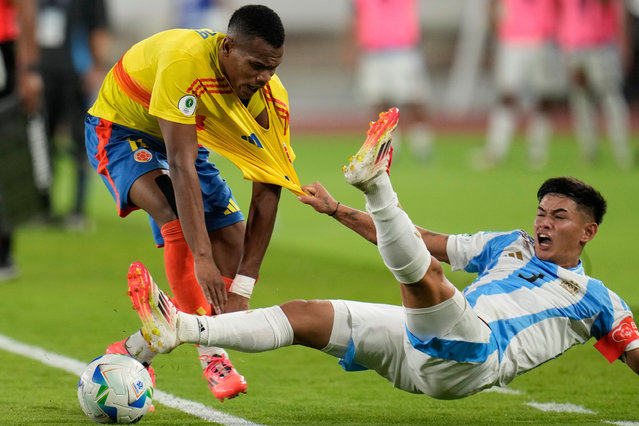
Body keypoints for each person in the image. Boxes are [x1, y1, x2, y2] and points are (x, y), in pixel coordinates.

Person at [126, 109, 639, 399]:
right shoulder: (510, 245)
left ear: (588, 232)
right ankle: (183, 329)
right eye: (542, 212)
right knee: (304, 316)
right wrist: (335, 211)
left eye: (559, 217)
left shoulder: (599, 300)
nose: (543, 222)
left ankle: (379, 184)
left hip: (475, 355)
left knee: (429, 279)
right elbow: (421, 238)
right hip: (422, 347)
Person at [85, 5, 303, 401]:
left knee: (233, 253)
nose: (264, 77)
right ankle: (213, 357)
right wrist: (201, 256)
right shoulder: (186, 61)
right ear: (227, 48)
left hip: (185, 138)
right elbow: (181, 166)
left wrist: (245, 286)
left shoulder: (272, 98)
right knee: (176, 217)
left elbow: (270, 186)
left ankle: (136, 348)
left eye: (272, 67)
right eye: (256, 65)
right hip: (121, 130)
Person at [36, 0, 111, 229]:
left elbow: (99, 29)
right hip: (43, 76)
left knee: (81, 144)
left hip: (76, 77)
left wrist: (97, 68)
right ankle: (43, 208)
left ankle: (77, 210)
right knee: (42, 144)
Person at [479, 0, 560, 169]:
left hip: (541, 39)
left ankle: (537, 153)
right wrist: (497, 28)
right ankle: (496, 151)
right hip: (512, 41)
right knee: (507, 96)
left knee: (542, 99)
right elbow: (492, 6)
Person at [349, 0, 432, 161]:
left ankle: (422, 148)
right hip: (372, 52)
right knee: (379, 104)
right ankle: (388, 151)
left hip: (403, 51)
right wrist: (351, 47)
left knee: (414, 100)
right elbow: (356, 16)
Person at [557, 0, 633, 169]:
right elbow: (561, 13)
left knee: (610, 97)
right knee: (581, 100)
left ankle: (621, 149)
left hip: (601, 46)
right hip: (574, 47)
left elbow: (619, 15)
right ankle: (589, 149)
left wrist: (623, 46)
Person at [0, 0, 45, 280]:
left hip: (3, 48)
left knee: (5, 153)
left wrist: (29, 69)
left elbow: (26, 8)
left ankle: (3, 249)